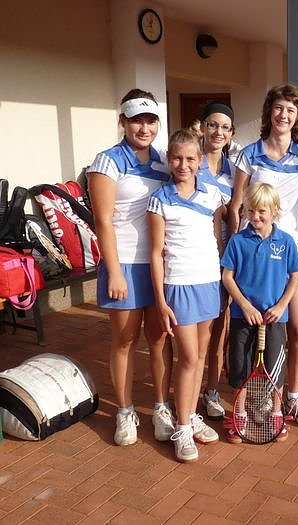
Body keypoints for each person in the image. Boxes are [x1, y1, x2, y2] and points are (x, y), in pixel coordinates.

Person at [229, 84, 298, 427]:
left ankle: (291, 397)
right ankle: (251, 398)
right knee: (248, 332)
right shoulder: (249, 154)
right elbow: (236, 205)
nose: (283, 115)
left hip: (288, 255)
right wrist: (235, 248)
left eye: (291, 110)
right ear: (269, 111)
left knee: (297, 331)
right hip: (253, 257)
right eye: (279, 108)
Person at [87, 89, 173, 447]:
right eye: (137, 120)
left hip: (158, 265)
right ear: (123, 121)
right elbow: (103, 222)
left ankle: (162, 407)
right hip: (123, 263)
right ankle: (125, 411)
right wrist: (115, 271)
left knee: (159, 338)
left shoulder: (165, 161)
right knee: (125, 341)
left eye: (151, 120)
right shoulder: (106, 161)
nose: (144, 127)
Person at [148, 128, 228, 462]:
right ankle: (181, 428)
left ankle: (190, 415)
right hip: (178, 286)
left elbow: (218, 240)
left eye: (190, 158)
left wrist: (223, 281)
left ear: (199, 161)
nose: (184, 165)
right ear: (169, 159)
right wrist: (161, 301)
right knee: (190, 358)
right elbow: (156, 254)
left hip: (209, 283)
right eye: (178, 158)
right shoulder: (159, 199)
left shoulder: (213, 196)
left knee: (201, 355)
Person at [221, 183, 298, 443]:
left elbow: (295, 276)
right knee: (240, 369)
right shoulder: (238, 241)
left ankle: (276, 413)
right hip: (242, 317)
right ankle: (239, 414)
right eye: (251, 211)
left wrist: (281, 306)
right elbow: (227, 277)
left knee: (275, 370)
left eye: (262, 211)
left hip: (275, 319)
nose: (255, 216)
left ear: (275, 211)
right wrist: (244, 305)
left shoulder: (286, 242)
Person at [197, 101, 236, 421]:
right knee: (191, 332)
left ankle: (211, 390)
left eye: (224, 127)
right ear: (202, 127)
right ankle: (183, 393)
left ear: (232, 133)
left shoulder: (235, 171)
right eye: (212, 124)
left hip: (222, 258)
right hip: (190, 257)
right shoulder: (187, 161)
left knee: (219, 328)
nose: (218, 132)